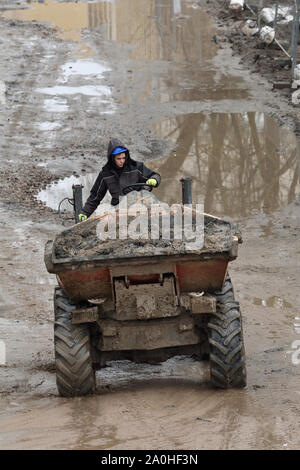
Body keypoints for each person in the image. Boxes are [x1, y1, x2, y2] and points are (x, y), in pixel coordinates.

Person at [78, 138, 161, 220]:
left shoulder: (137, 167)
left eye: (123, 158)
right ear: (112, 158)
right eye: (119, 159)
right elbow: (95, 196)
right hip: (118, 210)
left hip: (138, 206)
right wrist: (84, 213)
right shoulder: (105, 174)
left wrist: (154, 179)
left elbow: (155, 175)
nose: (122, 161)